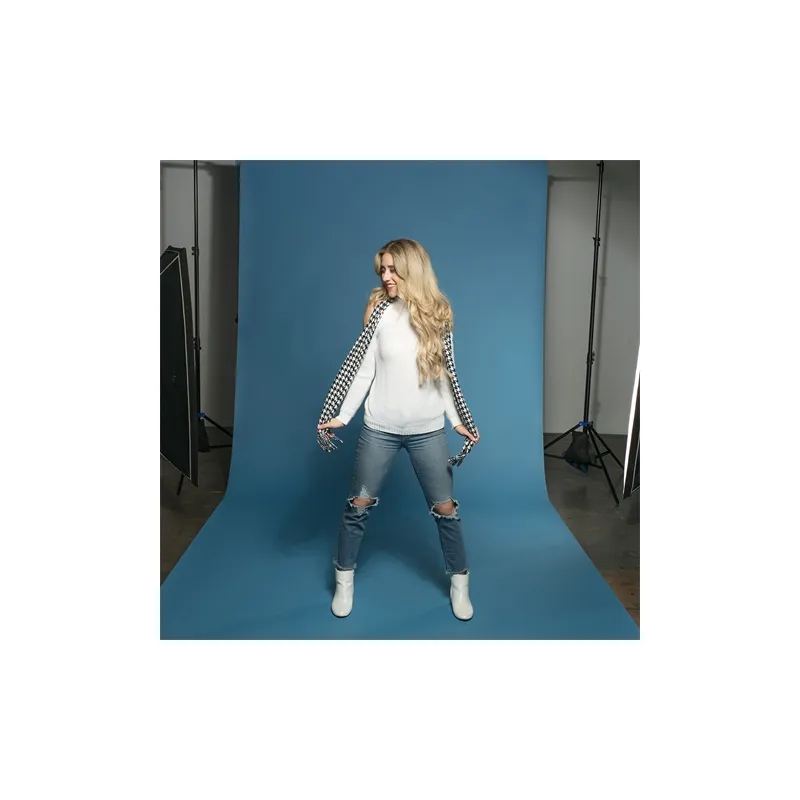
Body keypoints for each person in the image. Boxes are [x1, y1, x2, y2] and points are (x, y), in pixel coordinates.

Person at [317, 239, 480, 622]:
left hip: (427, 430)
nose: (386, 277)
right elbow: (364, 370)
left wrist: (456, 420)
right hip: (380, 428)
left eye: (393, 269)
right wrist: (343, 415)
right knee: (358, 505)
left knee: (446, 509)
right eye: (383, 270)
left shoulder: (438, 315)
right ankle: (344, 581)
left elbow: (444, 375)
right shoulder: (379, 313)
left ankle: (460, 584)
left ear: (412, 269)